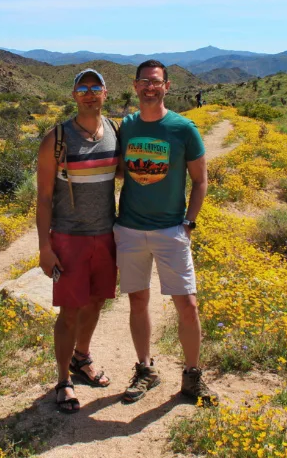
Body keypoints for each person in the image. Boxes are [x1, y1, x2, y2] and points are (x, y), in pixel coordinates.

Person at [115, 59, 217, 405]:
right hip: (129, 228)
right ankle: (145, 369)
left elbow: (201, 181)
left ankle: (192, 376)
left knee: (187, 304)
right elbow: (116, 170)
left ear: (167, 86)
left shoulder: (183, 128)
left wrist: (189, 222)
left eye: (156, 82)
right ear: (135, 85)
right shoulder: (126, 126)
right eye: (144, 82)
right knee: (137, 300)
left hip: (171, 229)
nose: (150, 87)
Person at [36, 68, 120, 413]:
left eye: (95, 87)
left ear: (105, 92)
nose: (89, 92)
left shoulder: (116, 131)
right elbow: (43, 198)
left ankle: (81, 358)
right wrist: (45, 246)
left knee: (97, 301)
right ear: (73, 95)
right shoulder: (56, 138)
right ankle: (62, 381)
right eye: (82, 88)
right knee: (69, 311)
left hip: (107, 233)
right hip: (70, 237)